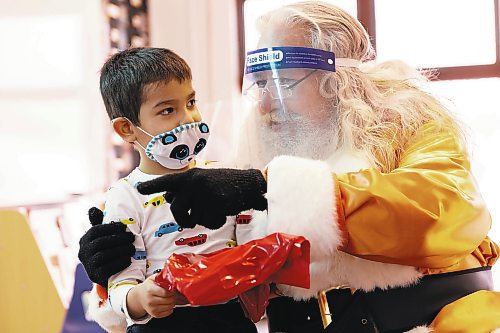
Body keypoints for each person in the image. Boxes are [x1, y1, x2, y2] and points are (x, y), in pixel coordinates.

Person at [79, 2, 500, 333]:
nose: (263, 103)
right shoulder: (260, 147)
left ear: (339, 80)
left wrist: (268, 188)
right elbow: (217, 268)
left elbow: (442, 208)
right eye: (259, 84)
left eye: (282, 83)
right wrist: (118, 271)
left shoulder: (408, 123)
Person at [81, 47, 259, 333]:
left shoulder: (223, 179)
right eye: (167, 110)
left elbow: (253, 244)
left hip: (231, 321)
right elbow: (118, 283)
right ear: (127, 128)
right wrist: (139, 299)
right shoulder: (125, 196)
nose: (188, 118)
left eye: (191, 102)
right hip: (162, 325)